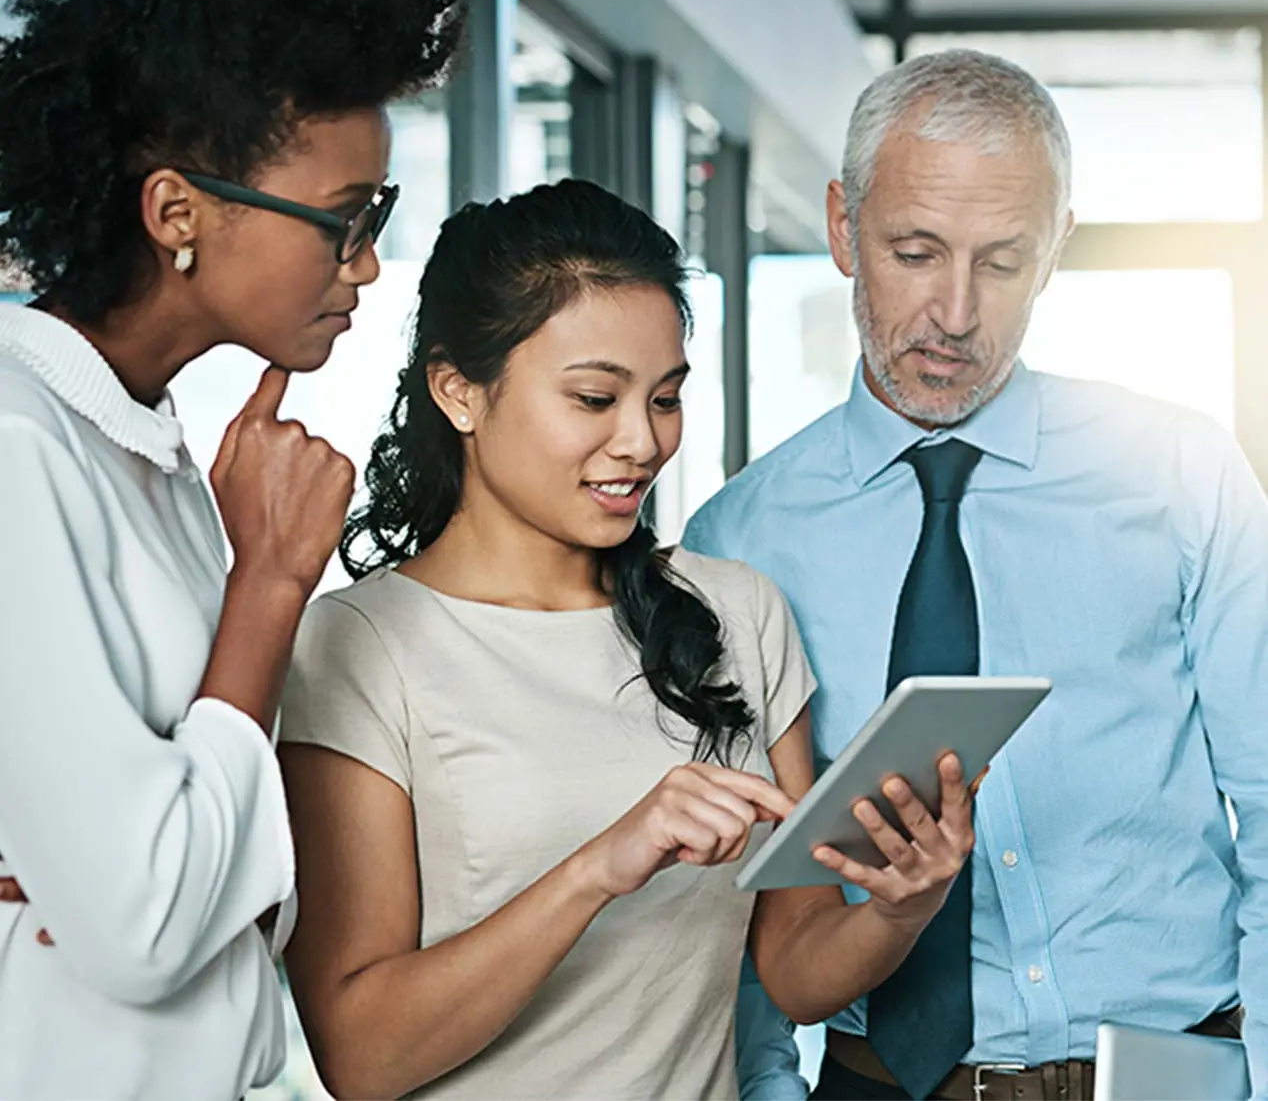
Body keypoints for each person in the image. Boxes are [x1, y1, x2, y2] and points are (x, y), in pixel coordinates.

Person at [277, 178, 979, 1101]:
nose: (641, 442)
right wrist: (599, 868)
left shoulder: (739, 615)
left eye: (665, 398)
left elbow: (797, 968)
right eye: (595, 398)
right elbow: (360, 1056)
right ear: (459, 392)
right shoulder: (360, 644)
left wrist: (903, 907)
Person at [684, 46, 1268, 1101]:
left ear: (1053, 254)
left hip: (1167, 1073)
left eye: (1000, 263)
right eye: (914, 251)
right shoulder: (738, 535)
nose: (953, 313)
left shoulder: (1178, 473)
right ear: (839, 226)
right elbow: (740, 886)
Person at [0, 0, 461, 1099]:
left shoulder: (147, 447)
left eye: (378, 217)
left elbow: (217, 893)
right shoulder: (17, 440)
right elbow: (151, 920)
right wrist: (268, 584)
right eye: (343, 218)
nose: (363, 263)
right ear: (175, 213)